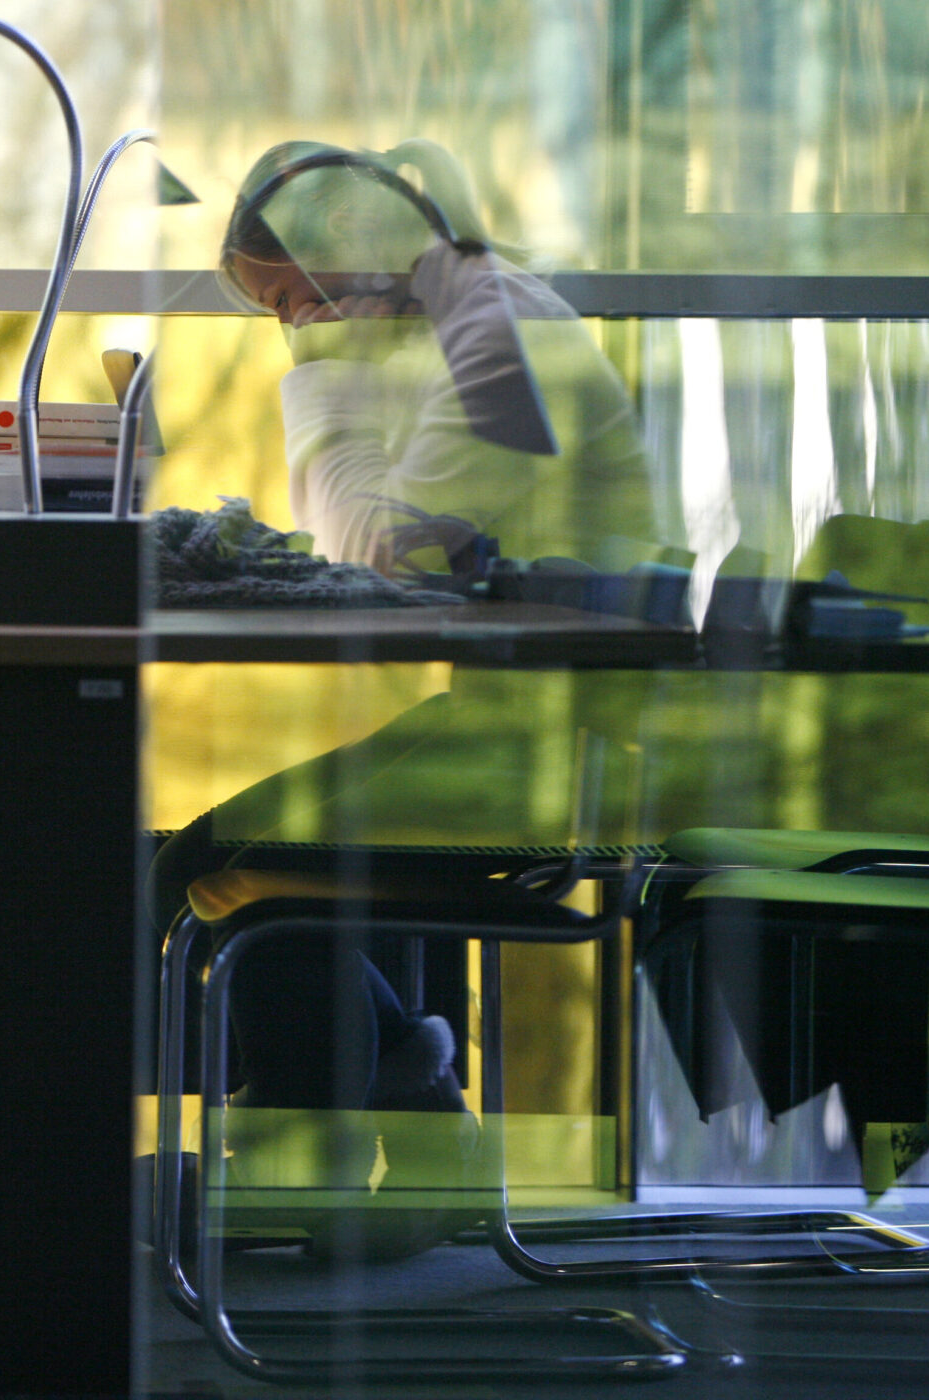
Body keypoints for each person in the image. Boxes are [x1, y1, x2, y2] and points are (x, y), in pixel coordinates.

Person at [150, 139, 668, 1258]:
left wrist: (323, 379)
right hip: (530, 724)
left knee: (212, 861)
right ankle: (401, 1144)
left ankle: (334, 1166)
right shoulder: (470, 317)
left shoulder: (498, 336)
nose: (295, 329)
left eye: (292, 304)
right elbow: (400, 539)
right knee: (232, 854)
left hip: (547, 752)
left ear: (346, 259)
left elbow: (380, 552)